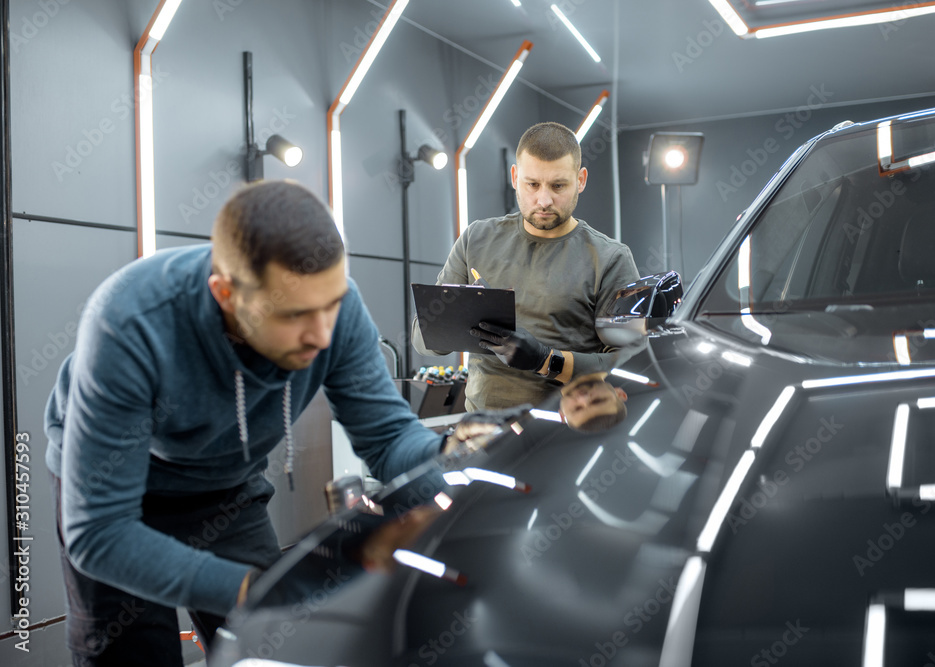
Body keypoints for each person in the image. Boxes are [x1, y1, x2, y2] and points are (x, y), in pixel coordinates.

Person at [44, 180, 482, 666]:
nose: (321, 334)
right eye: (295, 314)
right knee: (138, 651)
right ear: (225, 293)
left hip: (225, 488)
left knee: (278, 642)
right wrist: (264, 588)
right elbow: (100, 532)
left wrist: (451, 460)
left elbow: (387, 436)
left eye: (331, 306)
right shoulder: (131, 322)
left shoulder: (337, 311)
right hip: (124, 495)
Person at [412, 121, 640, 410]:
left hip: (562, 432)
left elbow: (631, 363)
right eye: (532, 184)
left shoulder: (610, 258)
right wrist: (454, 320)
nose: (543, 200)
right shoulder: (476, 239)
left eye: (558, 186)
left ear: (580, 180)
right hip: (483, 429)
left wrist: (547, 360)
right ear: (514, 176)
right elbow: (422, 338)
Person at [558, 372, 628, 432]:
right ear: (619, 393)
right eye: (597, 400)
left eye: (577, 408)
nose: (583, 398)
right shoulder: (614, 357)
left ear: (562, 415)